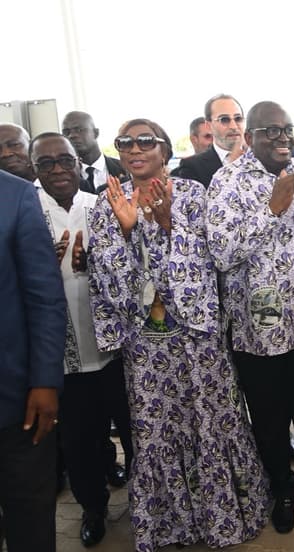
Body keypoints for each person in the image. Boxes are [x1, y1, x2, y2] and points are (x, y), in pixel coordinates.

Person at [87, 118, 270, 551]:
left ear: (165, 150)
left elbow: (209, 267)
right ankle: (170, 524)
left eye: (145, 141)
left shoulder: (190, 195)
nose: (135, 149)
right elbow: (108, 280)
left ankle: (224, 518)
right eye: (125, 142)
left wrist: (169, 226)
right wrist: (126, 230)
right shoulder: (104, 205)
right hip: (146, 347)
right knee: (157, 431)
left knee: (214, 422)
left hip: (198, 338)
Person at [206, 101, 294, 534]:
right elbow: (223, 253)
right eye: (271, 131)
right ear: (249, 137)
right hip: (257, 332)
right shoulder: (226, 182)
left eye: (288, 129)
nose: (283, 137)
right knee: (269, 419)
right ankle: (282, 490)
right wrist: (271, 210)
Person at [30, 132, 134, 547]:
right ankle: (93, 508)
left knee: (133, 429)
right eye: (47, 164)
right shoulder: (28, 212)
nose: (58, 170)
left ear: (79, 163)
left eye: (65, 161)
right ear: (35, 170)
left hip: (114, 351)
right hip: (62, 357)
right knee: (79, 440)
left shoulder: (103, 206)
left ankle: (148, 501)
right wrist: (43, 265)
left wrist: (101, 262)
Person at [0, 168, 66, 552]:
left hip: (15, 399)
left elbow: (44, 298)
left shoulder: (16, 196)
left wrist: (45, 381)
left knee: (30, 518)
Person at [171, 93, 247, 187]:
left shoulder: (261, 159)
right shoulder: (193, 167)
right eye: (224, 119)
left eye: (238, 118)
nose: (233, 126)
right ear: (209, 125)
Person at [61, 111, 128, 193]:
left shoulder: (125, 168)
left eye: (79, 130)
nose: (72, 135)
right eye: (66, 132)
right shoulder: (63, 175)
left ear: (96, 133)